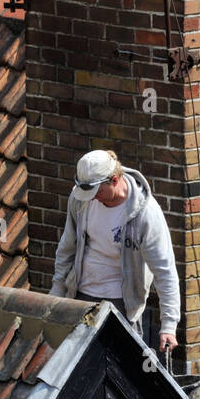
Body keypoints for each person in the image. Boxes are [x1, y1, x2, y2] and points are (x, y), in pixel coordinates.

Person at [49, 149, 179, 353]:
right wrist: (56, 293)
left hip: (122, 305)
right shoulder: (80, 200)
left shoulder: (145, 214)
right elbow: (67, 247)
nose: (92, 199)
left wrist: (169, 325)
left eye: (97, 192)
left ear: (115, 180)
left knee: (122, 372)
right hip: (81, 296)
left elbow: (165, 270)